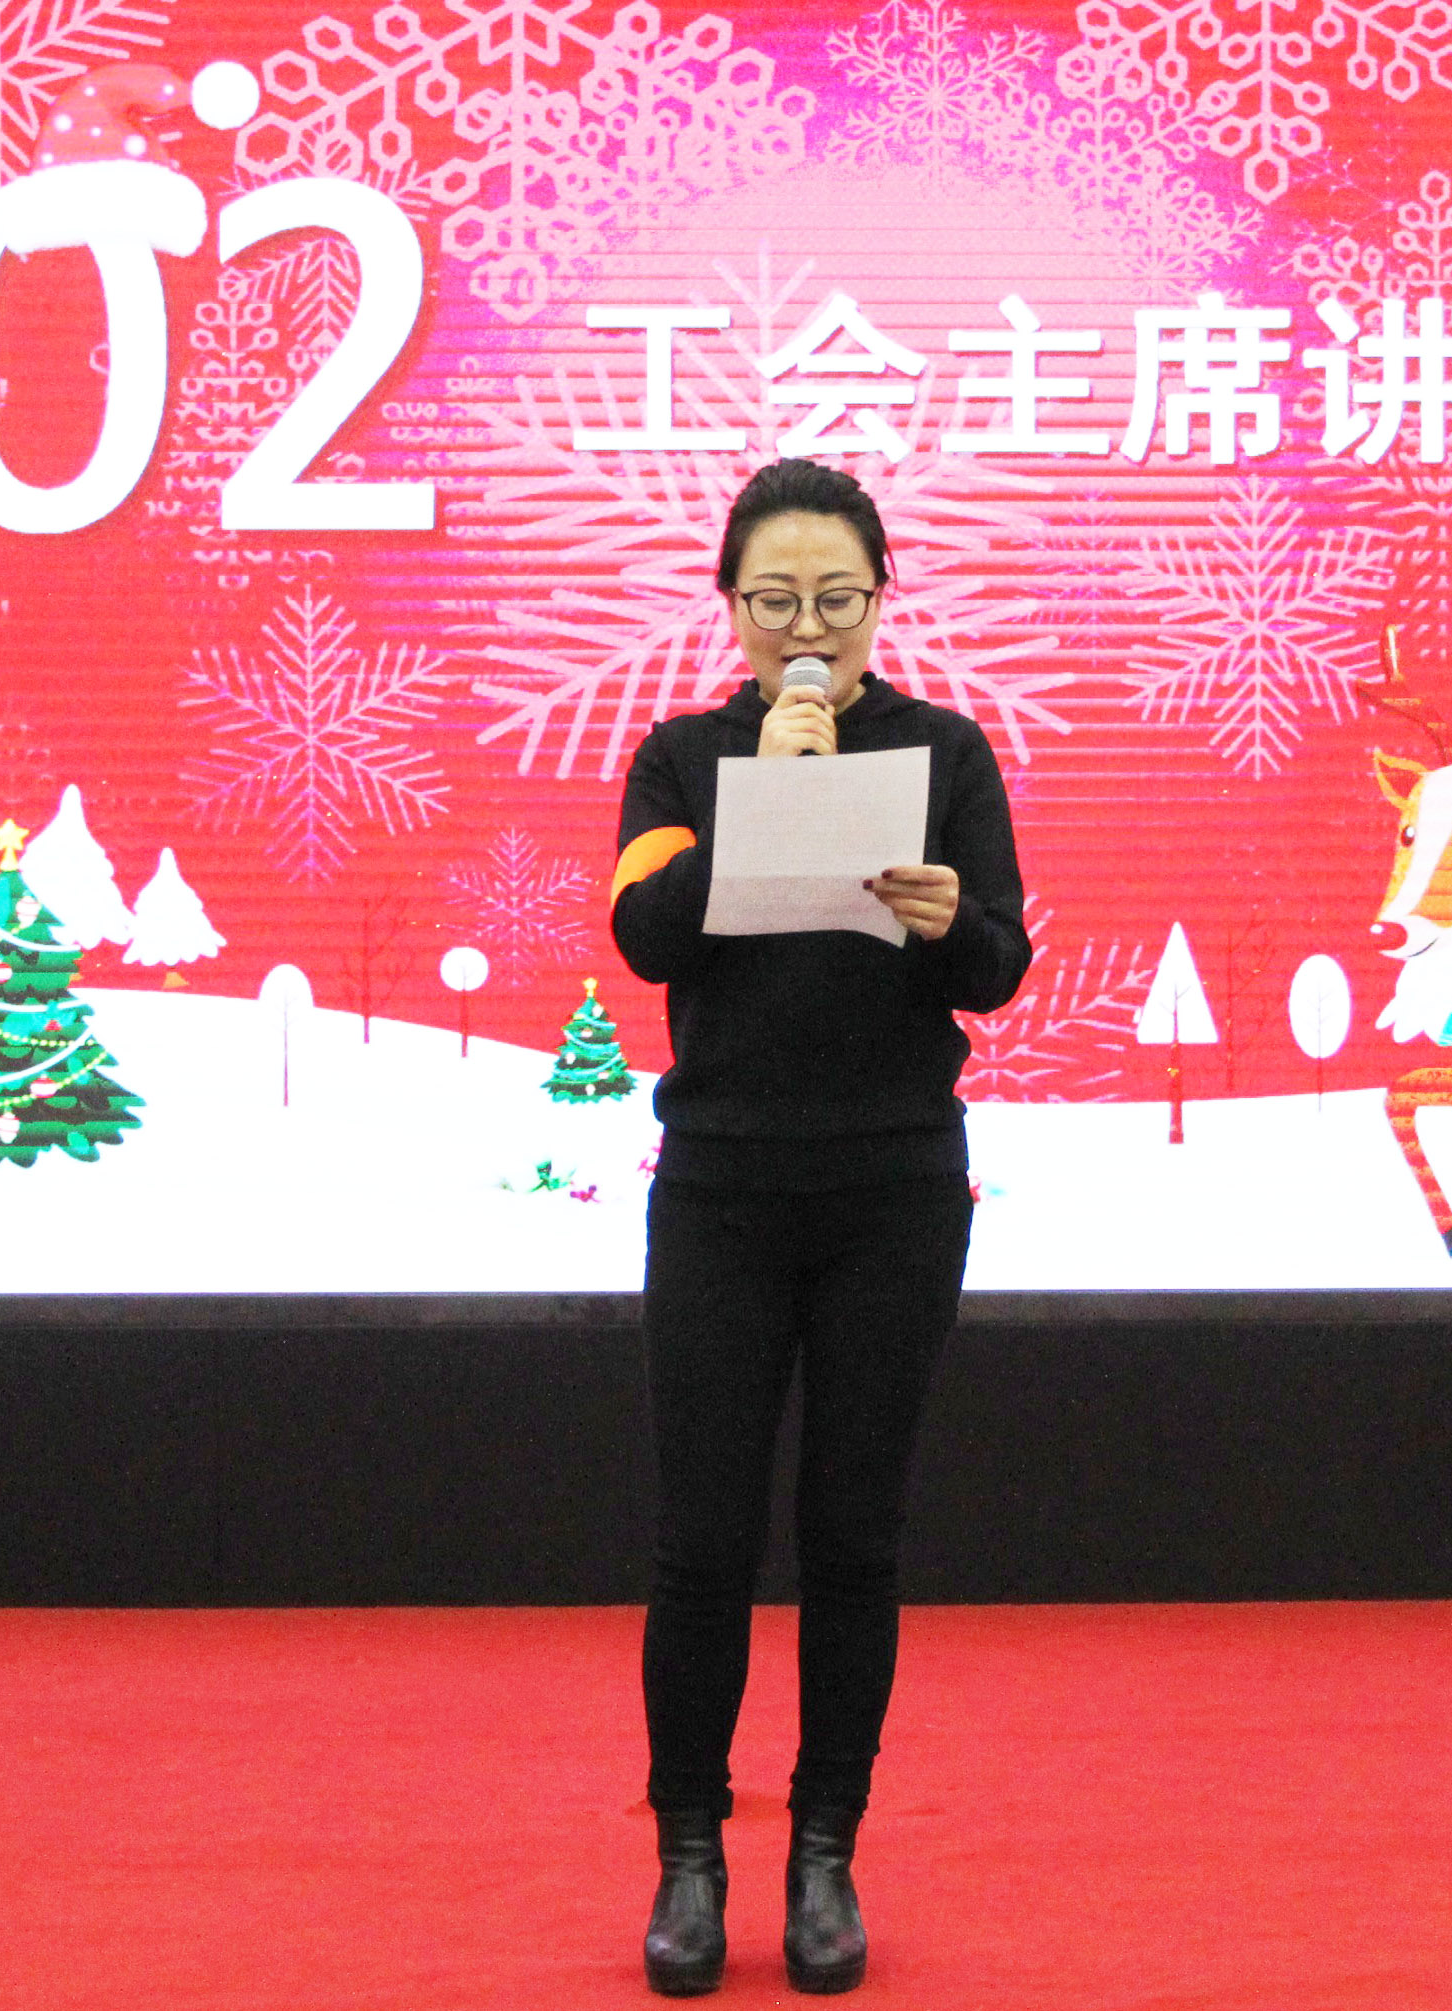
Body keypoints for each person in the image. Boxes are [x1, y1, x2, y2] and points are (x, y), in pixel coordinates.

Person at [604, 457, 1032, 1995]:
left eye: (836, 600)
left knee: (854, 1536)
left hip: (892, 1194)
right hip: (722, 1190)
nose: (807, 631)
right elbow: (646, 935)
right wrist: (768, 807)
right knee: (703, 1541)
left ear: (879, 600)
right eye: (776, 601)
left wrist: (947, 918)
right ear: (729, 606)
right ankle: (689, 1858)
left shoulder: (946, 751)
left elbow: (1000, 965)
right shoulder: (682, 758)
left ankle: (826, 1855)